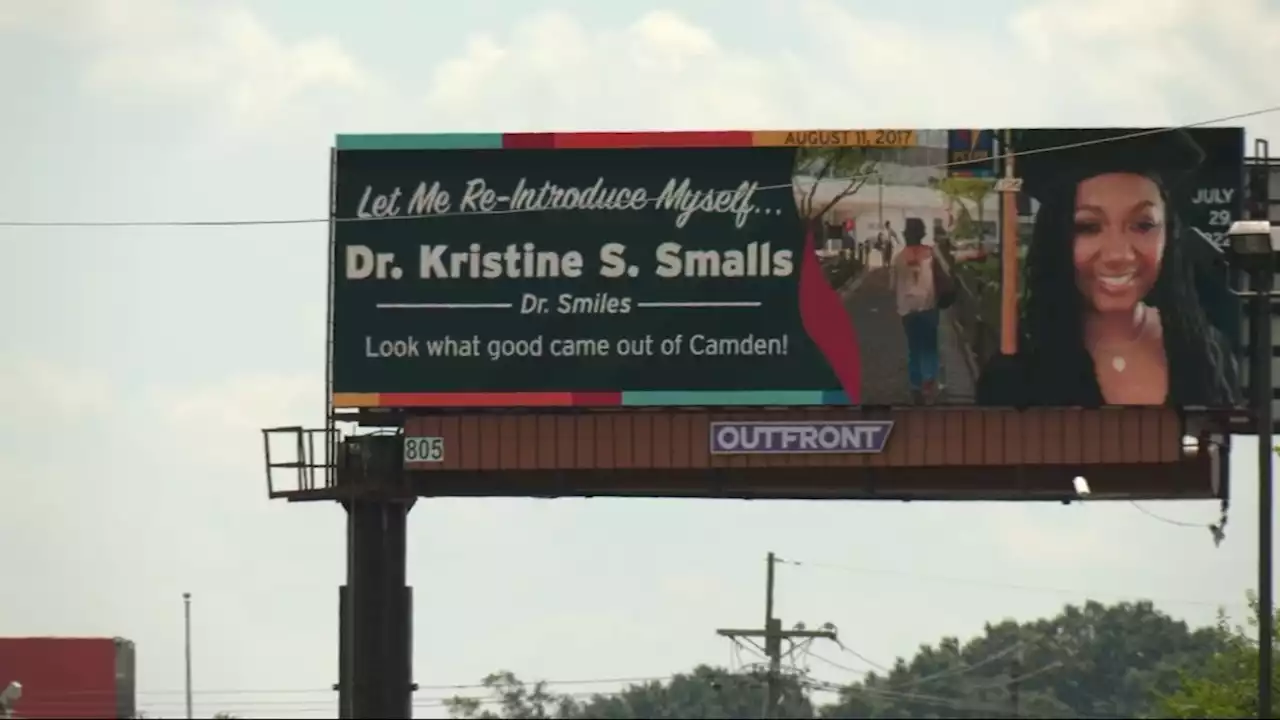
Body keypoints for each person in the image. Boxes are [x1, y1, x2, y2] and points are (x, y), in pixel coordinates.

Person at [975, 128, 1239, 408]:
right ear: (1057, 238)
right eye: (1088, 227)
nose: (1118, 254)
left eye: (1143, 225)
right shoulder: (1019, 372)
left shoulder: (1207, 353)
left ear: (1169, 236)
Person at [889, 217, 945, 404]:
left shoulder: (897, 258)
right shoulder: (931, 254)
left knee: (914, 348)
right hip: (928, 306)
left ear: (906, 235)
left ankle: (915, 386)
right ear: (922, 234)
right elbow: (947, 272)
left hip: (907, 309)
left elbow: (891, 286)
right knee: (929, 347)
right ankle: (928, 384)